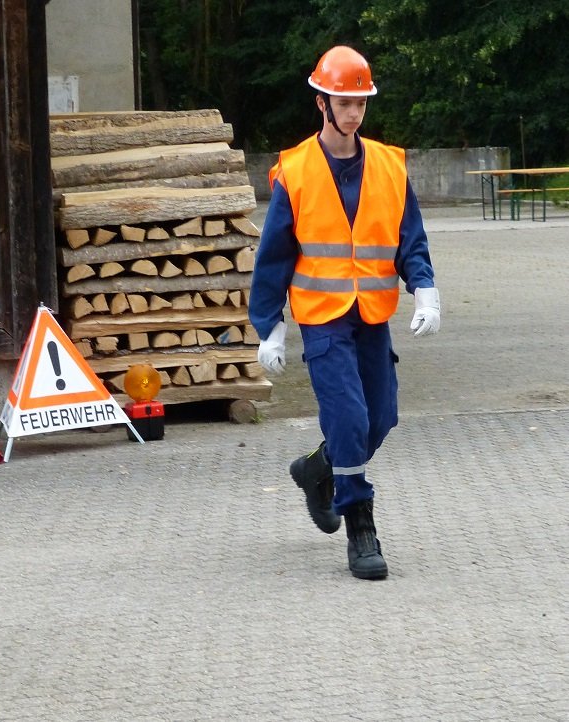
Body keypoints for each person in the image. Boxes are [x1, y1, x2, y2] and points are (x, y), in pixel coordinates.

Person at [249, 46, 440, 580]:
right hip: (322, 316)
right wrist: (270, 326)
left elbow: (410, 238)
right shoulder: (295, 170)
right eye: (344, 102)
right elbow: (273, 256)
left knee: (380, 418)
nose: (354, 112)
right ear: (322, 103)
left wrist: (425, 288)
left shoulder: (389, 165)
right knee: (350, 419)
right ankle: (360, 525)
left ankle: (318, 468)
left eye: (361, 103)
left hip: (372, 314)